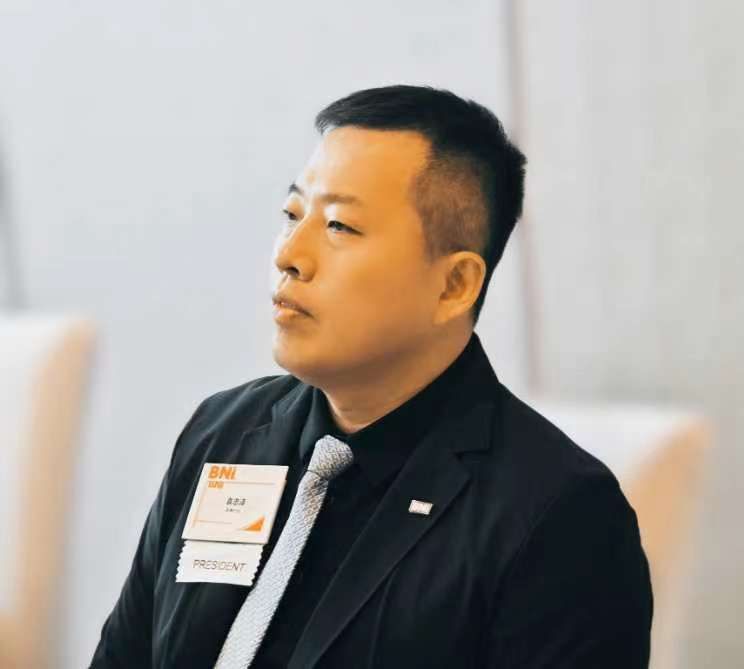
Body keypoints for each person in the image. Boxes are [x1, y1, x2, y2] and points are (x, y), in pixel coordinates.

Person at [90, 84, 652, 668]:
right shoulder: (224, 431)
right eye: (292, 214)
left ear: (454, 285)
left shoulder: (558, 518)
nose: (290, 253)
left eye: (339, 227)